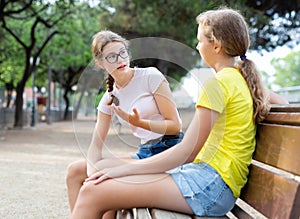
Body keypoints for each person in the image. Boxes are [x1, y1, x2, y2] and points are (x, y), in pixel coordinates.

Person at [70, 8, 286, 218]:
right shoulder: (241, 79)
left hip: (209, 186)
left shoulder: (218, 85)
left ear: (216, 45)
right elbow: (280, 101)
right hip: (210, 181)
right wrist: (126, 168)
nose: (197, 45)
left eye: (200, 40)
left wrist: (125, 169)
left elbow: (186, 152)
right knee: (99, 185)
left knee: (93, 192)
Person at [66, 30, 184, 213]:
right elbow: (96, 145)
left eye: (122, 53)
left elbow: (175, 125)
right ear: (100, 63)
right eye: (111, 57)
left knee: (103, 182)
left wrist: (141, 123)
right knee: (75, 171)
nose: (120, 60)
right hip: (145, 152)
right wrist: (93, 173)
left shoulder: (150, 76)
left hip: (168, 152)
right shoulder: (109, 98)